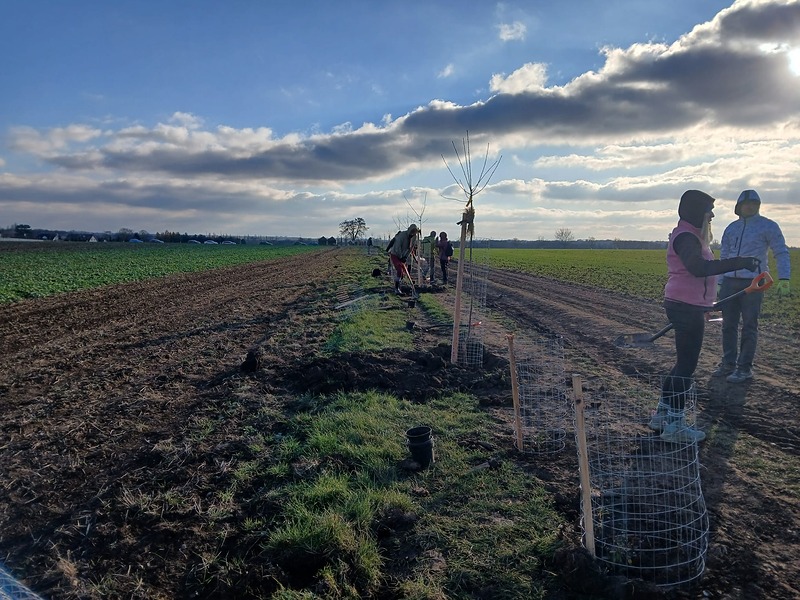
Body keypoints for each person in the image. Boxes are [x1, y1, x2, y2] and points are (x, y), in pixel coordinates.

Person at [649, 190, 759, 443]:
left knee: (681, 365)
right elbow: (699, 269)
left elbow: (700, 272)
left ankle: (662, 416)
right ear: (696, 210)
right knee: (686, 368)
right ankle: (675, 425)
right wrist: (738, 262)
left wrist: (705, 303)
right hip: (685, 306)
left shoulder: (689, 235)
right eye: (708, 209)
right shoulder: (686, 237)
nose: (712, 214)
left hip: (688, 305)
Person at [713, 189, 792, 384]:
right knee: (728, 324)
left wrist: (784, 277)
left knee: (749, 325)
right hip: (730, 282)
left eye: (754, 204)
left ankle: (745, 367)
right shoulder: (731, 228)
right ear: (738, 207)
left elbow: (780, 251)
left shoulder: (768, 226)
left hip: (754, 283)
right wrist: (719, 282)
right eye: (746, 204)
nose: (750, 206)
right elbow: (724, 258)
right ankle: (728, 362)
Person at [386, 224, 420, 294]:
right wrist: (401, 257)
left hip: (403, 256)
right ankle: (396, 288)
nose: (413, 233)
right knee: (399, 270)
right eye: (412, 231)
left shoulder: (414, 237)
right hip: (395, 254)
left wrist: (405, 257)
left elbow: (411, 248)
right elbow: (398, 246)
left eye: (415, 232)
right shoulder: (402, 235)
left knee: (403, 273)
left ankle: (398, 284)